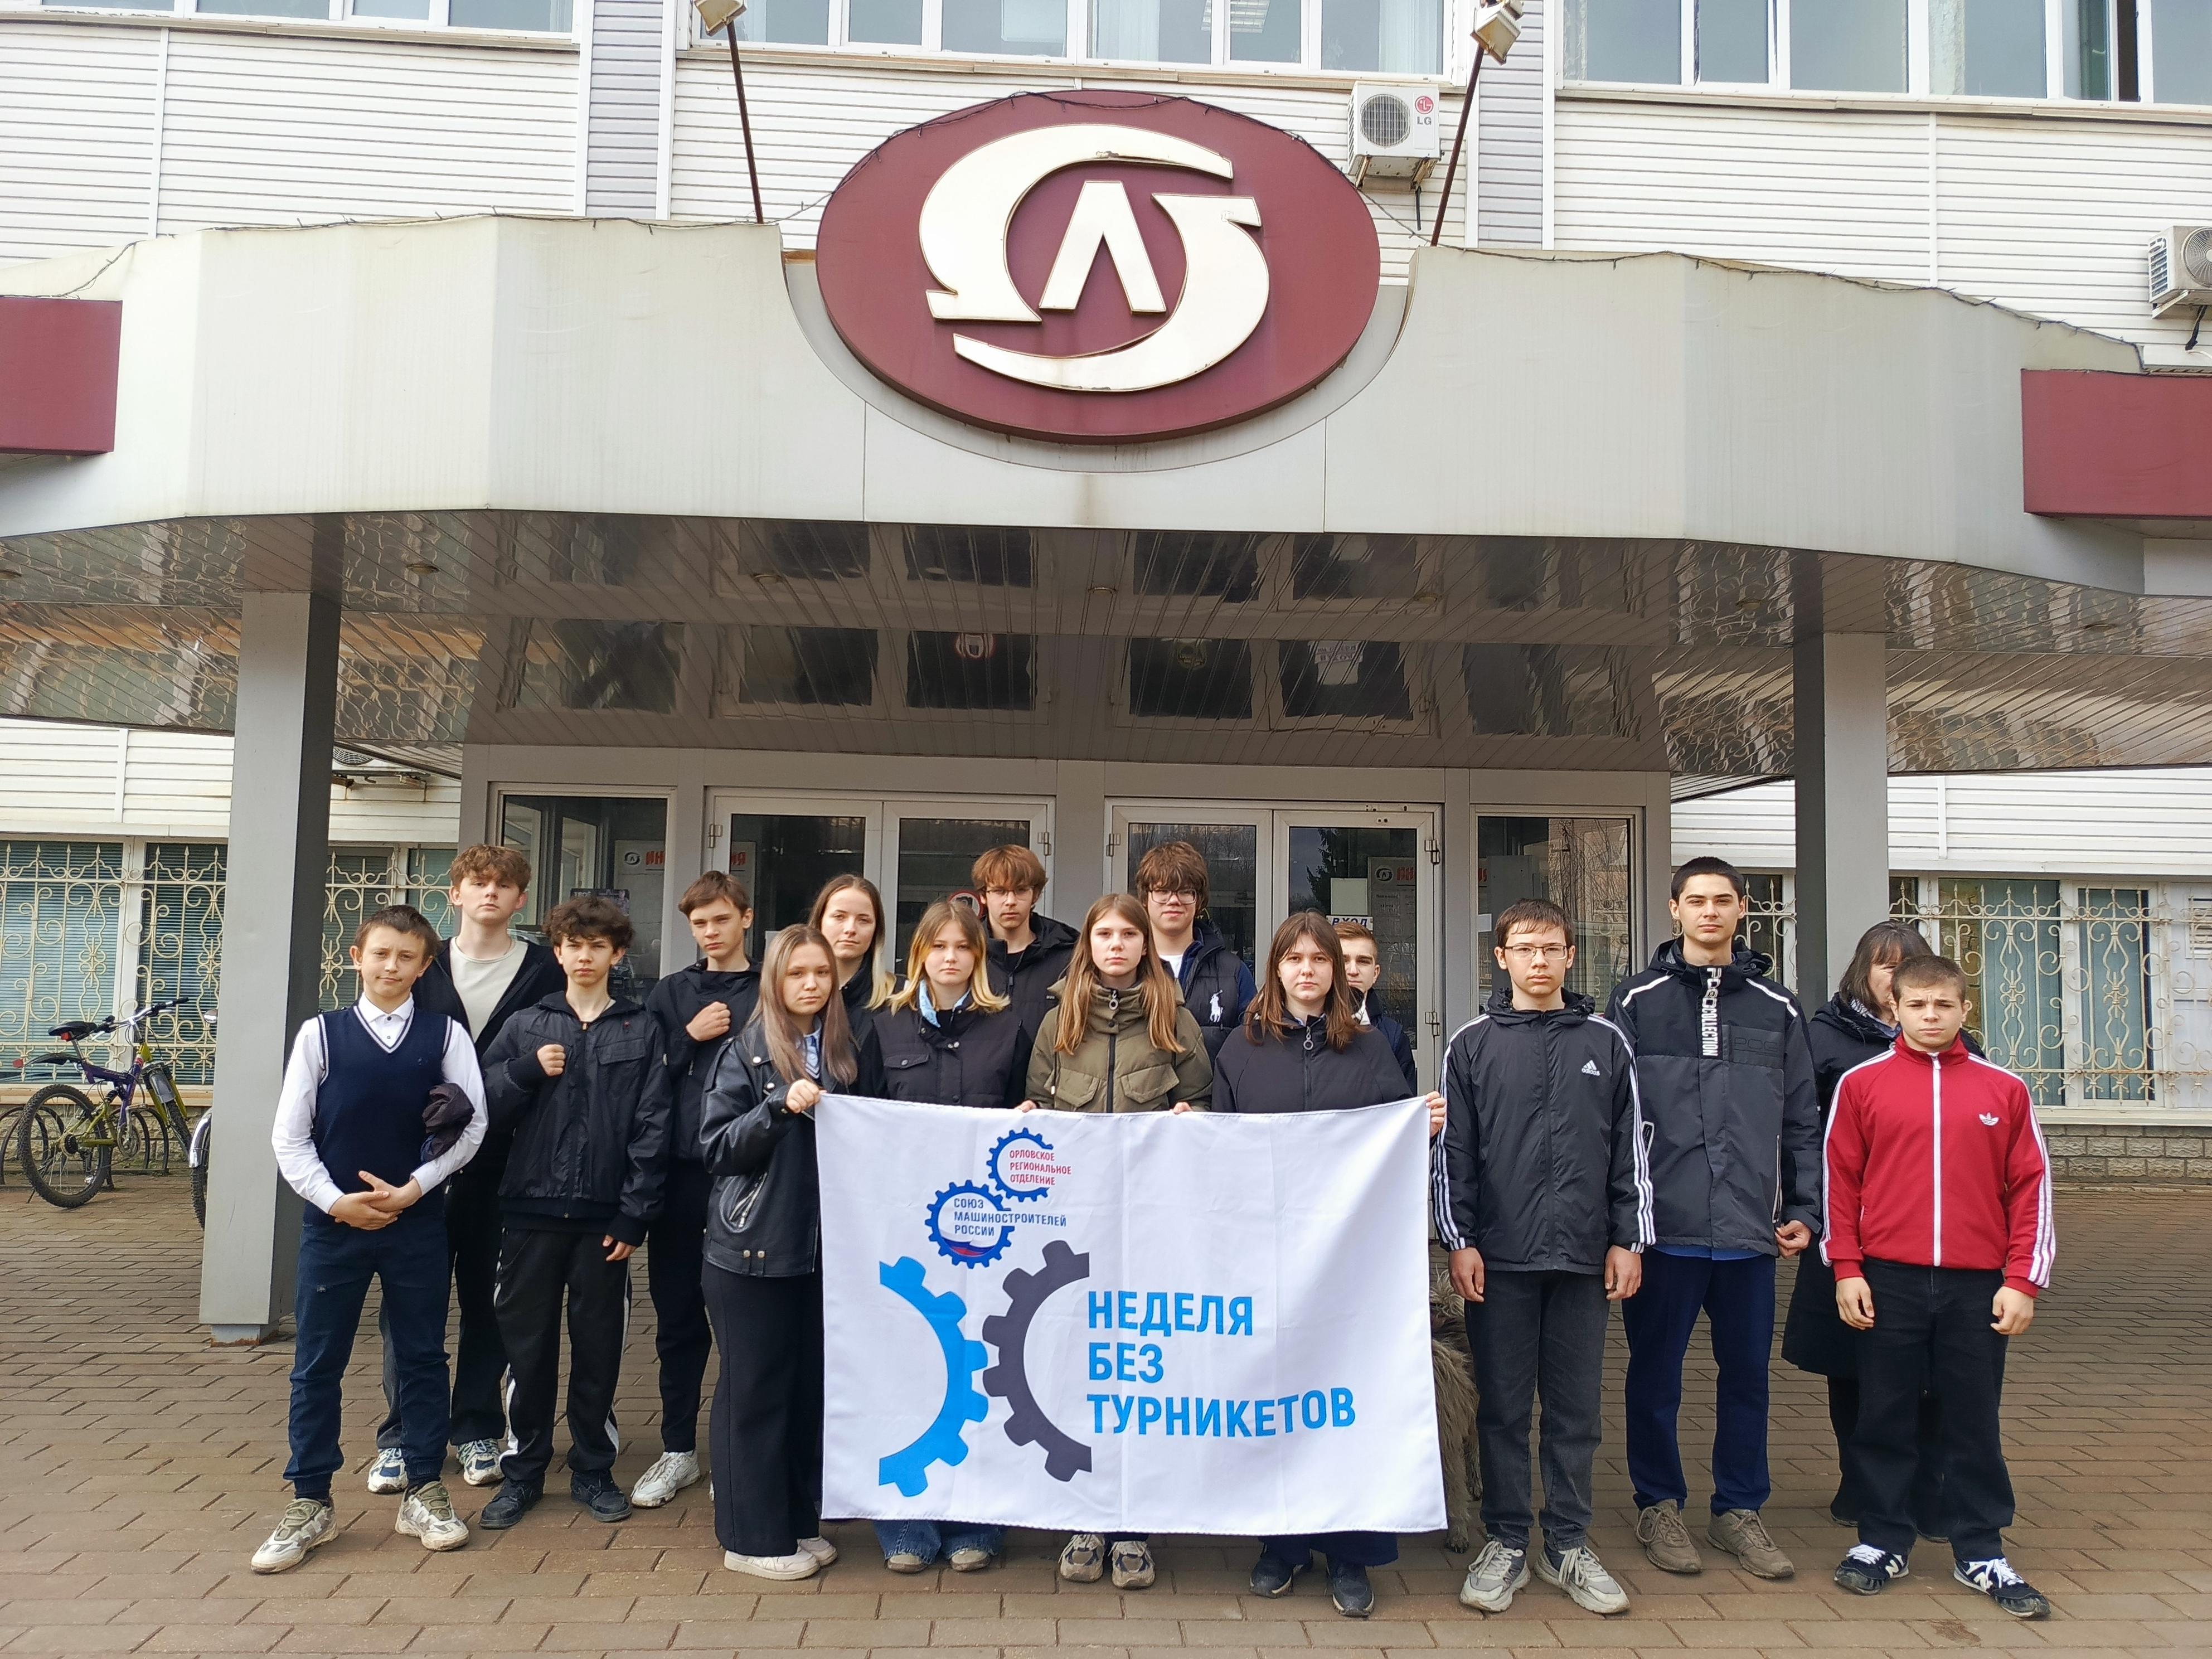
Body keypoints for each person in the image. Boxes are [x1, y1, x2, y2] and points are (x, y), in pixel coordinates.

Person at [1218, 912, 1443, 1619]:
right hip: (1267, 1257)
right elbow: (1219, 1154)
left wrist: (1420, 1126)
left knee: (1349, 1402)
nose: (1308, 971)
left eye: (1320, 960)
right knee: (1276, 1398)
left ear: (1338, 972)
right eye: (1295, 959)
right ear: (1275, 969)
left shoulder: (1370, 1049)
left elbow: (1395, 1146)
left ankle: (1352, 1552)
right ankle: (1280, 1545)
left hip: (1352, 1265)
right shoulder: (1240, 1049)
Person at [251, 905, 487, 1574]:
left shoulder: (444, 1035)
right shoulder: (320, 1035)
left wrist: (415, 1188)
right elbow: (289, 1137)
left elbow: (473, 1127)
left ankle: (424, 1489)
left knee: (422, 1358)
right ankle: (310, 1500)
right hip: (334, 1230)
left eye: (407, 957)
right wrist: (336, 1202)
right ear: (356, 957)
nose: (392, 966)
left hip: (417, 1225)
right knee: (317, 1364)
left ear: (425, 966)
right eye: (380, 953)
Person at [1604, 856, 1820, 1582]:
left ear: (1741, 909)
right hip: (1664, 1231)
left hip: (1749, 1234)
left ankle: (1738, 1510)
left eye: (1722, 900)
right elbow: (1613, 1120)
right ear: (1674, 909)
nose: (1709, 912)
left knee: (1747, 1378)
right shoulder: (1636, 1000)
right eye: (1695, 900)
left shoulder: (1778, 1007)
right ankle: (1658, 1504)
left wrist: (1804, 1207)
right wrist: (1623, 1225)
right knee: (1655, 1377)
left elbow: (1800, 1118)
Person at [1435, 899, 1650, 1618]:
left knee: (1574, 1411)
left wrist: (1628, 1239)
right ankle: (1505, 1540)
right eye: (1524, 948)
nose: (1538, 960)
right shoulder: (1471, 1045)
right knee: (1501, 1410)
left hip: (1584, 1261)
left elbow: (1631, 1151)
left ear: (1569, 955)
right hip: (1499, 1260)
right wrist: (1459, 1240)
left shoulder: (1607, 1043)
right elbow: (1454, 1156)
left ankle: (1566, 1544)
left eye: (1551, 948)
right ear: (1500, 958)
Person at [1824, 954, 2056, 1620]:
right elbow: (1839, 1181)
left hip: (1976, 1285)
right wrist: (1846, 1269)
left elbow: (2030, 1187)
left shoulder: (2003, 1089)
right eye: (1917, 1004)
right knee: (1883, 1414)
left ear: (1964, 1010)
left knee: (1971, 1418)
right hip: (1887, 1279)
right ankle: (1881, 1540)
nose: (1930, 1016)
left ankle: (1979, 1547)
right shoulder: (1861, 1084)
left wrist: (2022, 1280)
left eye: (1942, 1005)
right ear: (1893, 1008)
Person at [1023, 891, 1212, 1593]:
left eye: (1126, 935)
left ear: (1143, 945)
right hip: (1074, 1235)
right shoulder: (1058, 1022)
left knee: (1138, 1377)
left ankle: (1132, 1525)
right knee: (1078, 1372)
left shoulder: (1173, 1020)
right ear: (1089, 944)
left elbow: (1204, 1103)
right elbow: (1037, 1108)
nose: (1114, 945)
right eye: (1102, 933)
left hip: (1150, 1232)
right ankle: (1085, 1518)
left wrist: (1191, 1119)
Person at [369, 844, 561, 1495]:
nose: (490, 893)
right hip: (418, 1165)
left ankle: (476, 1427)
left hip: (507, 1162)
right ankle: (402, 1435)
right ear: (455, 894)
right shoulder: (422, 966)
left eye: (504, 885)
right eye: (478, 883)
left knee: (490, 1302)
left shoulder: (544, 970)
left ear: (520, 899)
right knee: (409, 1301)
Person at [698, 923, 887, 1581]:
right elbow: (715, 1146)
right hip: (752, 1248)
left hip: (822, 1252)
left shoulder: (847, 1050)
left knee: (804, 1391)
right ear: (774, 981)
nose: (811, 984)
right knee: (753, 1394)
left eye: (821, 973)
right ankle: (748, 1538)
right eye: (797, 973)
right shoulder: (745, 1051)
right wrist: (777, 1107)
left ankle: (794, 1521)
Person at [478, 895, 672, 1531]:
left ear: (617, 954)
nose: (584, 956)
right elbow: (479, 1107)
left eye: (597, 946)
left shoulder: (641, 1029)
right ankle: (523, 1472)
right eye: (573, 945)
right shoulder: (525, 1025)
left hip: (604, 1223)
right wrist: (524, 1072)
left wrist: (634, 1216)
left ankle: (593, 1469)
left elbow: (653, 1128)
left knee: (599, 1350)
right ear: (557, 952)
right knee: (527, 1351)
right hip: (528, 1214)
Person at [868, 899, 1026, 1572]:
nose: (951, 958)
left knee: (980, 1367)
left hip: (984, 1232)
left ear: (978, 957)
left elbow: (1025, 1117)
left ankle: (976, 1519)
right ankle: (905, 1521)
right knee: (905, 1365)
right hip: (901, 1227)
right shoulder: (882, 1025)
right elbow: (862, 1119)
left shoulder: (1007, 1027)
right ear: (919, 956)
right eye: (938, 947)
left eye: (963, 947)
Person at [1782, 920, 1953, 1535]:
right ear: (1863, 971)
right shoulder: (1824, 1037)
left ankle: (1927, 1491)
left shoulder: (1953, 1042)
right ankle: (1859, 1485)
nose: (1895, 976)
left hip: (1926, 1231)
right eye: (1885, 965)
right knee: (1851, 1362)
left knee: (1930, 1369)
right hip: (1846, 1225)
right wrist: (1803, 1207)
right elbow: (1799, 1129)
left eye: (1908, 965)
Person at [632, 870, 762, 1511]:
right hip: (682, 1178)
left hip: (751, 1177)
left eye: (720, 920)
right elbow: (644, 1080)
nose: (710, 932)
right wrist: (689, 1037)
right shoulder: (671, 993)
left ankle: (738, 1453)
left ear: (746, 918)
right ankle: (677, 1449)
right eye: (699, 923)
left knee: (745, 1324)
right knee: (678, 1321)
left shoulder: (769, 988)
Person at [1134, 840, 1256, 1061]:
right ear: (1145, 898)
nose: (1174, 901)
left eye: (1185, 892)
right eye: (1162, 891)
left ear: (1199, 900)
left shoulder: (1234, 972)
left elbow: (1252, 1055)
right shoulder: (1124, 967)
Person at [973, 843, 1078, 1041]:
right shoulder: (965, 953)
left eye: (1020, 890)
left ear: (1035, 895)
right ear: (983, 896)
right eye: (1000, 891)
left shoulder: (1068, 956)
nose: (1010, 901)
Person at [1334, 919, 1419, 1094]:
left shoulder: (1393, 1037)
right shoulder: (1304, 1028)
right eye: (1343, 961)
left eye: (1363, 961)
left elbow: (1404, 1105)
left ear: (1376, 973)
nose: (1353, 970)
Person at [811, 874, 894, 1045]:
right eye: (839, 917)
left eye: (863, 920)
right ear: (820, 922)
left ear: (876, 930)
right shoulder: (790, 992)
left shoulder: (899, 1000)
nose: (850, 929)